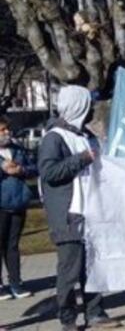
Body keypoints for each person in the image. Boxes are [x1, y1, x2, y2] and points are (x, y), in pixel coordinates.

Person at [38, 85, 121, 330]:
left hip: (92, 211)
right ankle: (67, 319)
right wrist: (82, 158)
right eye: (88, 104)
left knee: (93, 267)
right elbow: (50, 172)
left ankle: (95, 312)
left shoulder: (85, 135)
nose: (92, 108)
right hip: (69, 213)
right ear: (77, 105)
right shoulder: (54, 137)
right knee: (69, 270)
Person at [0, 116, 36, 299]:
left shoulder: (18, 150)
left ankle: (16, 283)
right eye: (2, 130)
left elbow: (35, 167)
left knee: (12, 245)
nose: (6, 133)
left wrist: (21, 170)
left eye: (7, 129)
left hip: (18, 202)